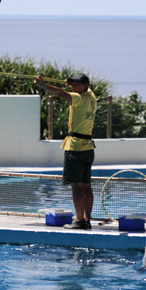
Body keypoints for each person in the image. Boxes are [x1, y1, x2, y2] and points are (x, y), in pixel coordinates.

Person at [34, 72, 98, 230]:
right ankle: (87, 220)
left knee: (76, 186)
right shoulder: (92, 97)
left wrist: (42, 85)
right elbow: (72, 88)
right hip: (88, 147)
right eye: (73, 84)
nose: (74, 87)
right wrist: (71, 83)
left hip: (75, 147)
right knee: (86, 186)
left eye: (77, 85)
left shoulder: (78, 99)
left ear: (85, 86)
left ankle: (80, 220)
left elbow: (61, 93)